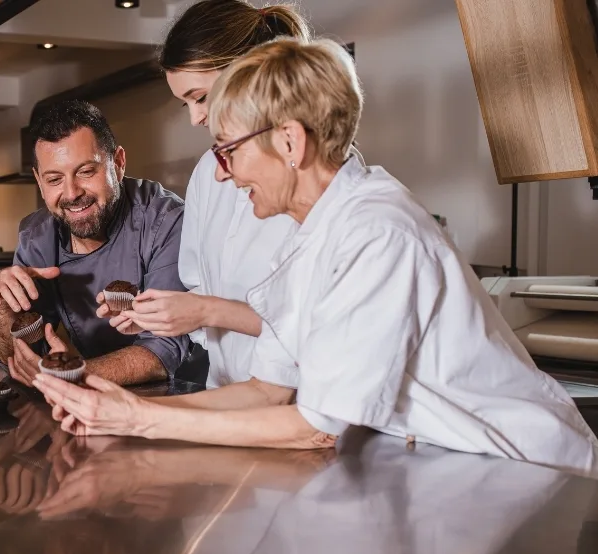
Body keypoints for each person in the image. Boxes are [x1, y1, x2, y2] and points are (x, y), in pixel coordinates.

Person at [35, 38, 598, 475]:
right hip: (457, 461)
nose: (225, 176)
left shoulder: (375, 233)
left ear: (289, 142)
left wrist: (141, 421)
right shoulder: (312, 233)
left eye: (229, 152)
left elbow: (317, 428)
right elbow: (267, 390)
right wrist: (113, 408)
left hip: (531, 470)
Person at [100, 1, 309, 388]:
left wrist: (202, 310)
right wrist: (165, 315)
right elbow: (199, 288)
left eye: (200, 97)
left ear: (249, 74)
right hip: (227, 395)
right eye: (186, 104)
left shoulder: (316, 178)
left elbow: (313, 324)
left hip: (304, 404)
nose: (196, 118)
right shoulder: (205, 176)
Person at [0, 100, 190, 387]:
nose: (71, 193)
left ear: (117, 164)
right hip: (95, 398)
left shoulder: (165, 222)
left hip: (185, 397)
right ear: (39, 181)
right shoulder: (38, 237)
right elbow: (16, 358)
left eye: (86, 171)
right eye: (54, 179)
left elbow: (165, 350)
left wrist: (73, 374)